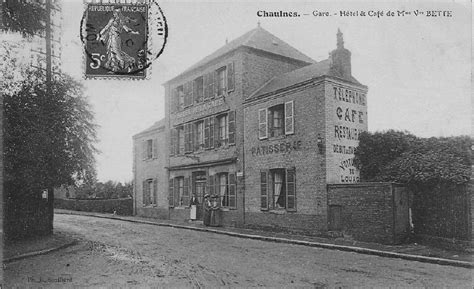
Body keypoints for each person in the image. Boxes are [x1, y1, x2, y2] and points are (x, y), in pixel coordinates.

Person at [99, 6, 139, 72]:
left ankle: (129, 62)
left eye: (115, 13)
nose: (114, 14)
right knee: (113, 52)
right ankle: (114, 68)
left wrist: (134, 32)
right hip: (112, 37)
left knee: (116, 52)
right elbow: (106, 27)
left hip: (115, 38)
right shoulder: (115, 20)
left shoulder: (120, 21)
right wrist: (100, 33)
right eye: (114, 13)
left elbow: (127, 29)